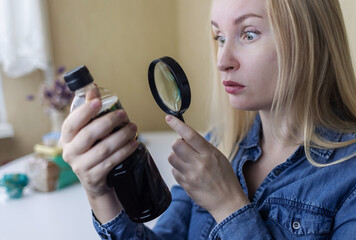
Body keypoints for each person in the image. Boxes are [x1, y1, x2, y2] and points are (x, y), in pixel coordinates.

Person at [60, 0, 356, 239]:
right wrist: (101, 194)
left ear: (309, 39)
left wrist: (228, 205)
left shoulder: (348, 178)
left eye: (249, 34)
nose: (222, 60)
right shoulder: (218, 146)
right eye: (220, 37)